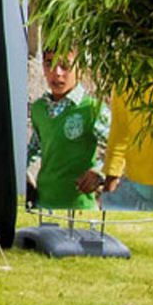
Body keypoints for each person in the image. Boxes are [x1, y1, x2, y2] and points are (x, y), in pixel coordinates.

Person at [25, 49, 111, 211]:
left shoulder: (92, 109)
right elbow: (33, 148)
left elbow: (118, 148)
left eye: (65, 65)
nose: (57, 73)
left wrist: (99, 172)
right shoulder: (38, 108)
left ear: (80, 67)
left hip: (80, 208)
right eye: (49, 64)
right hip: (44, 205)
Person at [103, 91, 153, 211]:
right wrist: (111, 177)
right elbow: (120, 131)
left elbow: (119, 132)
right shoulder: (128, 77)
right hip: (136, 188)